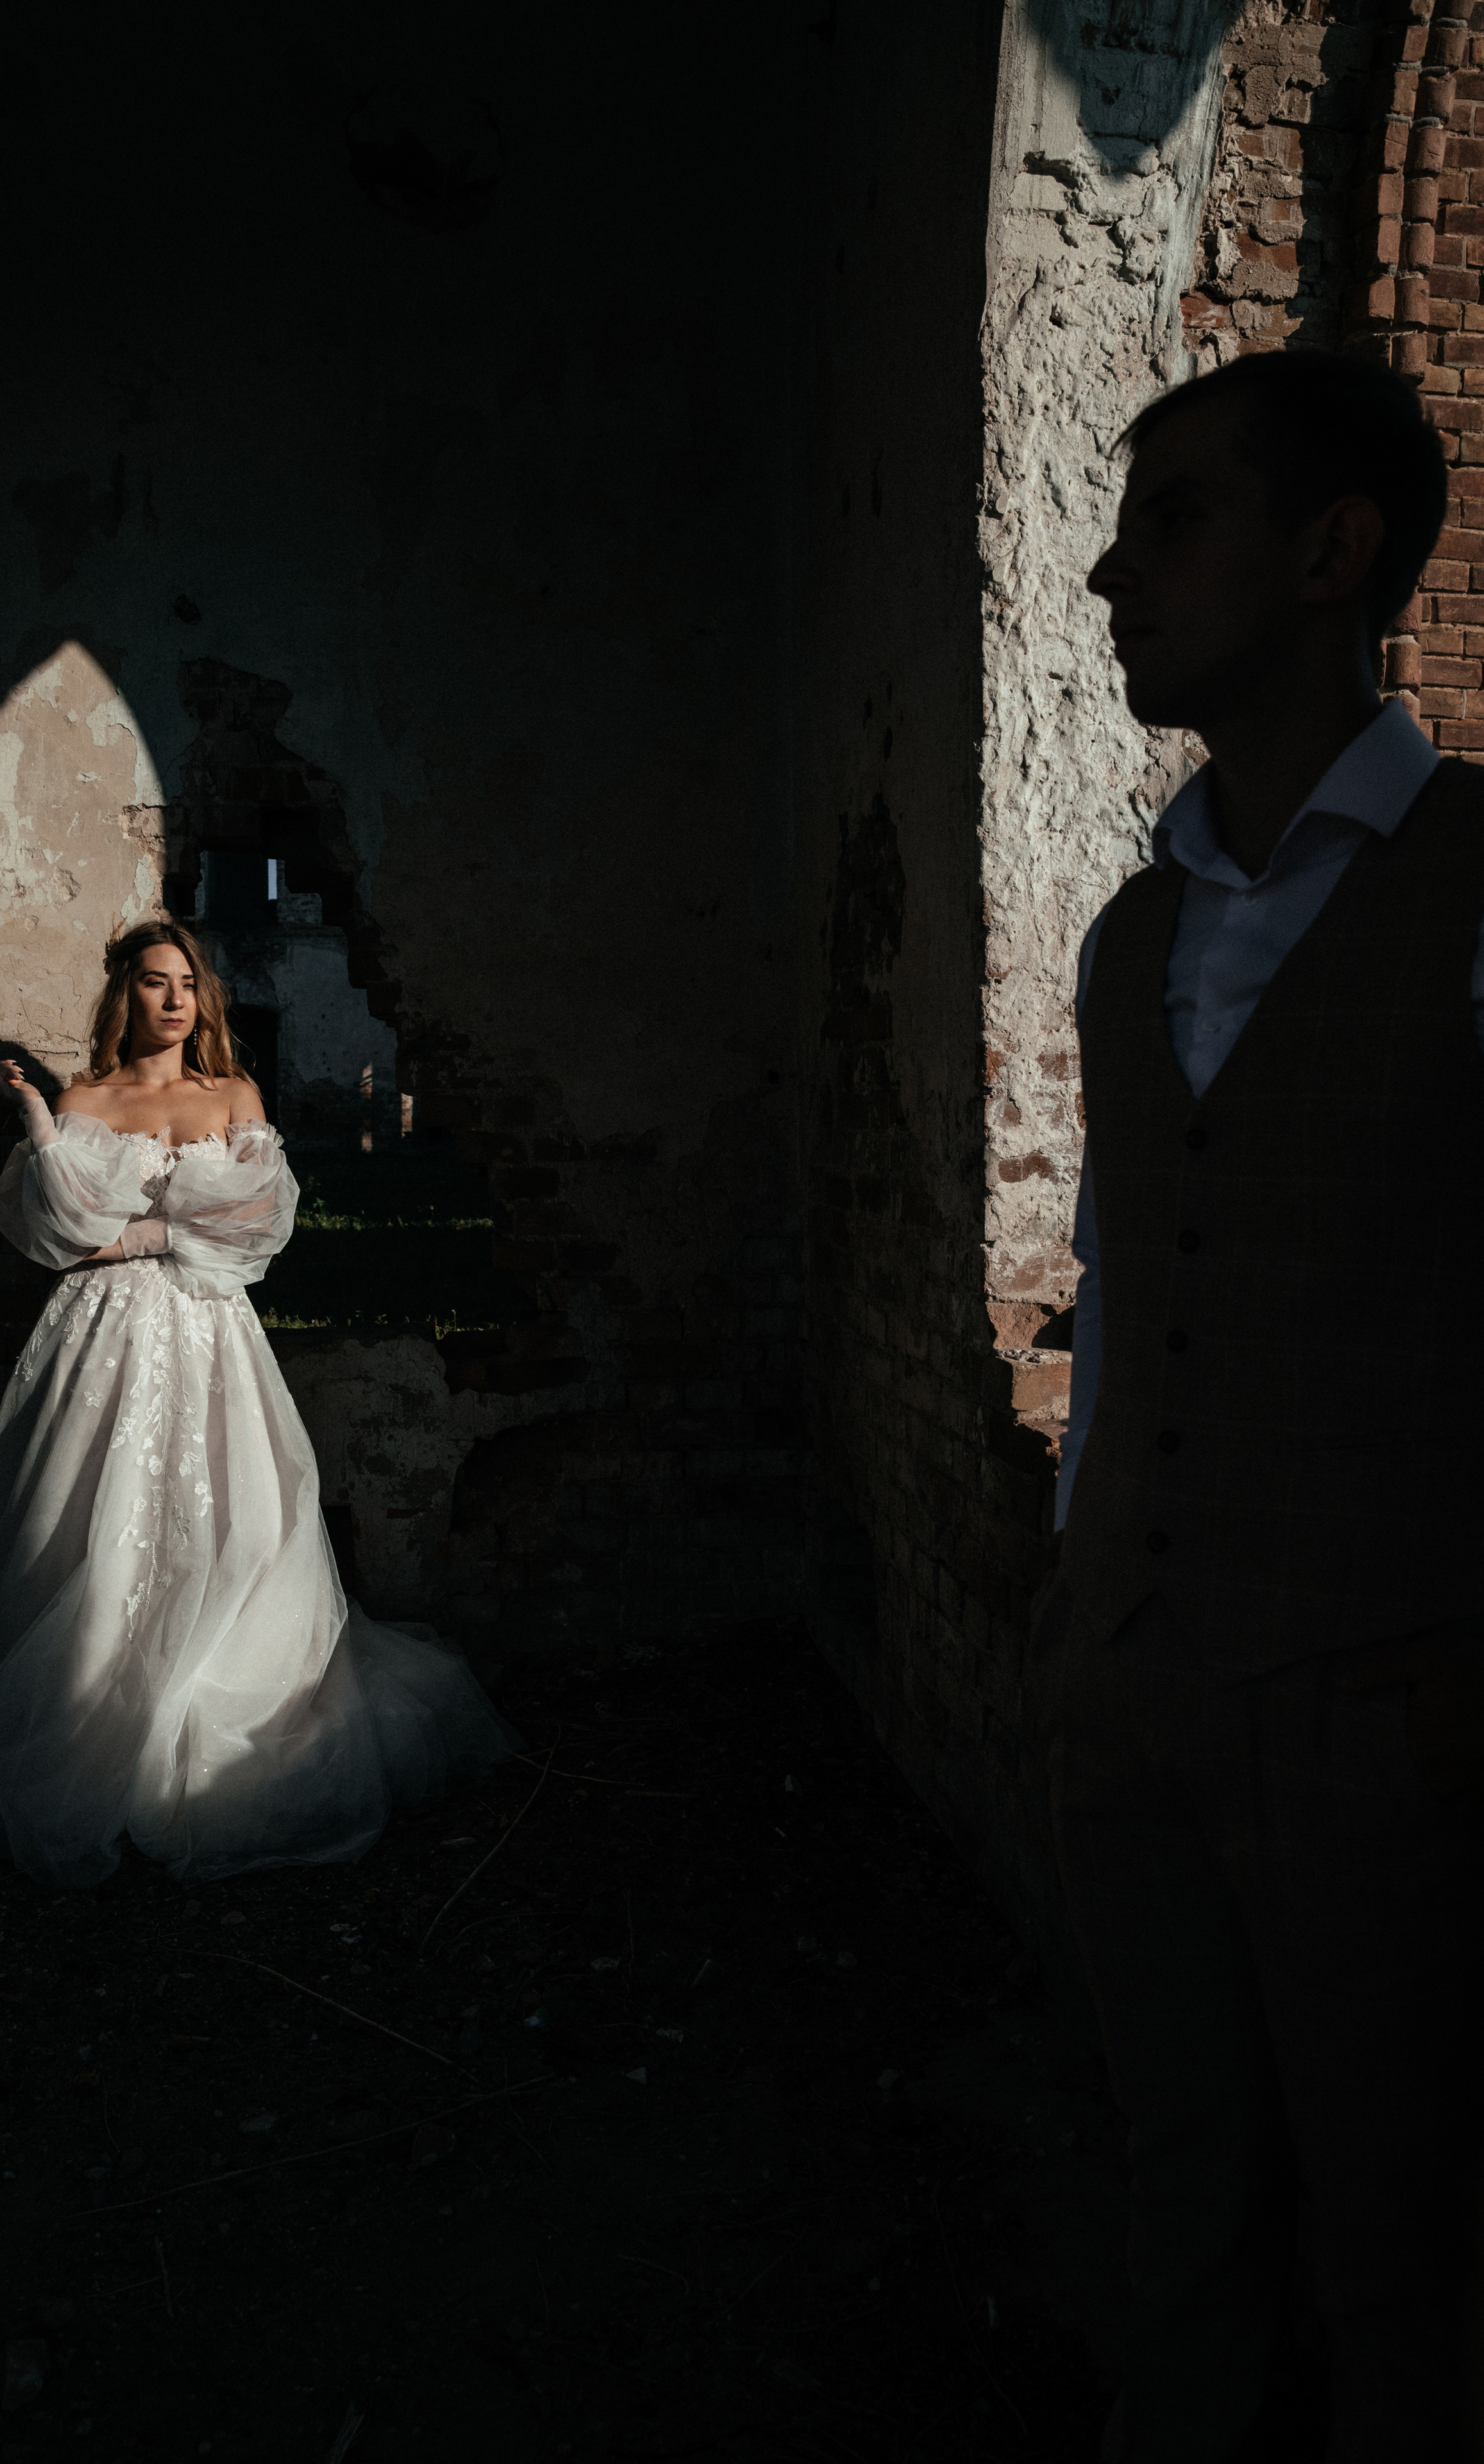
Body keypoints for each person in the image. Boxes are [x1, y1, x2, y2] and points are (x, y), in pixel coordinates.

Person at [1043, 348, 1484, 2461]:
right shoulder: (1137, 936)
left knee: (1409, 2241)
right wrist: (1074, 1600)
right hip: (1137, 1678)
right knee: (1181, 2181)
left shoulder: (1477, 886)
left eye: (1174, 522)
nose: (1113, 578)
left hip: (1385, 1703)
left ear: (1337, 552)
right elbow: (1130, 1302)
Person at [0, 920, 516, 1889]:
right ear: (123, 996)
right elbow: (61, 1235)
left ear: (202, 999)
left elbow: (255, 1227)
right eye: (151, 982)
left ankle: (224, 1728)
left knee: (242, 1521)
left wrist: (136, 1230)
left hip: (212, 1330)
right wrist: (46, 1131)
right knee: (96, 1526)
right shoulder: (89, 1097)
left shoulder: (234, 1095)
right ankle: (105, 1736)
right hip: (104, 1337)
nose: (173, 999)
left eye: (186, 983)